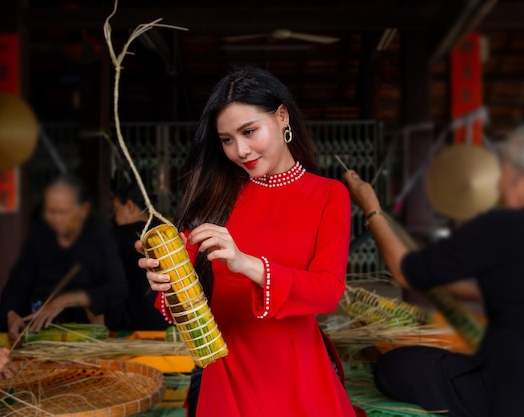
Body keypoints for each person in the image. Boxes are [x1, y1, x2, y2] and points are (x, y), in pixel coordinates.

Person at [138, 67, 360, 417]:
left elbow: (328, 291)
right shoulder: (215, 197)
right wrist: (166, 275)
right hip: (227, 370)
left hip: (297, 372)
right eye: (226, 140)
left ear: (282, 116)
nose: (240, 150)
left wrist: (247, 263)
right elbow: (187, 300)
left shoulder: (329, 195)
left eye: (249, 131)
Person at [342, 121, 524, 417]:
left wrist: (371, 207)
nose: (499, 184)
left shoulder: (506, 227)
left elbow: (403, 271)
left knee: (394, 367)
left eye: (504, 173)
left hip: (517, 396)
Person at [0, 174, 128, 344]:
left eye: (63, 212)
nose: (55, 218)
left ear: (84, 210)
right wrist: (12, 316)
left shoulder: (100, 243)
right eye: (51, 212)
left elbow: (116, 289)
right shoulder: (39, 244)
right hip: (41, 339)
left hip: (87, 338)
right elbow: (14, 289)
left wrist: (64, 301)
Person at [112, 181, 169, 330]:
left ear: (130, 206)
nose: (115, 218)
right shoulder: (164, 231)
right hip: (167, 315)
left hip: (136, 320)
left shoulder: (118, 236)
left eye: (116, 210)